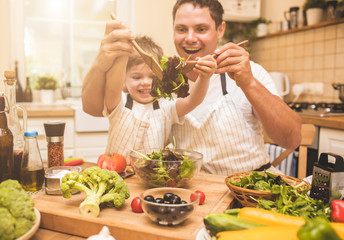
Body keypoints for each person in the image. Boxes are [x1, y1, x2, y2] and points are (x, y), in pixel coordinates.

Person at [82, 0, 302, 176]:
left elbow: (291, 139)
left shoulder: (249, 71)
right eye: (181, 29)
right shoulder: (160, 78)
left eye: (201, 28)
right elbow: (93, 108)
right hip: (193, 191)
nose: (189, 38)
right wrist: (103, 60)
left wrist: (248, 82)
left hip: (249, 187)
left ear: (220, 29)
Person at [103, 35, 216, 160]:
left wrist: (204, 77)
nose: (146, 82)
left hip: (150, 176)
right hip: (116, 173)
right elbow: (111, 86)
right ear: (123, 79)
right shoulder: (119, 102)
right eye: (136, 77)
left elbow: (192, 101)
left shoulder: (166, 106)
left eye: (153, 76)